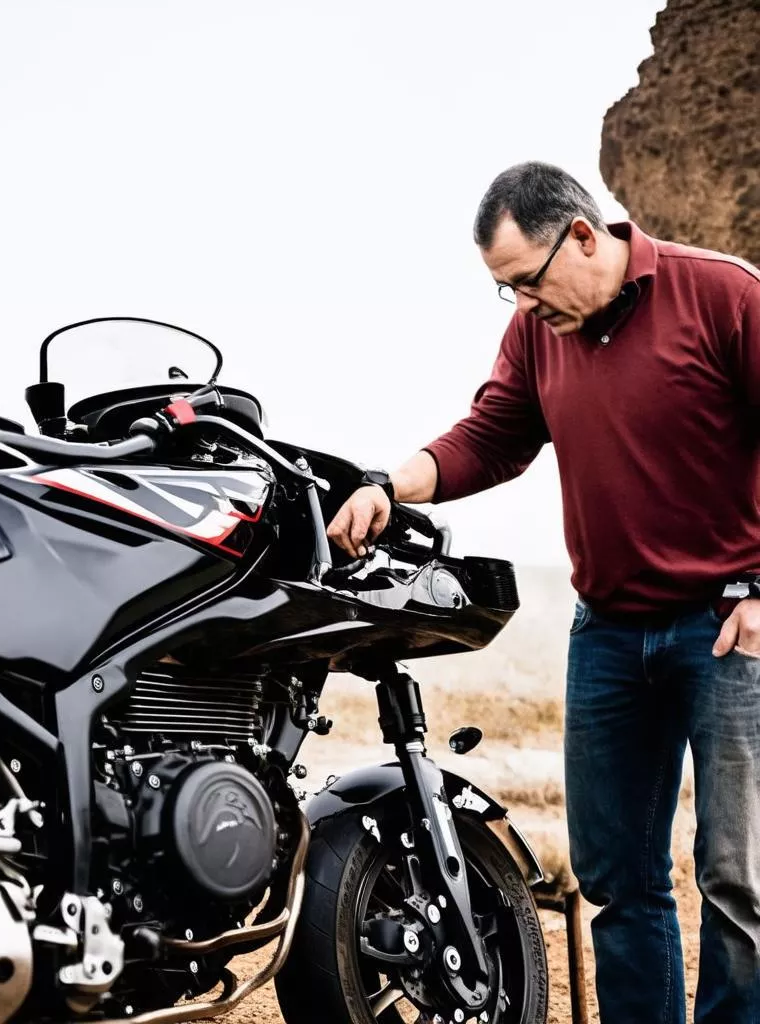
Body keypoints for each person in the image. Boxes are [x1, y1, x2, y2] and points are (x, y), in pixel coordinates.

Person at [327, 161, 760, 1023]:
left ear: (584, 237)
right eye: (505, 290)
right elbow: (492, 434)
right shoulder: (539, 332)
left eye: (525, 281)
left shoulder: (725, 296)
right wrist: (388, 483)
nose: (521, 306)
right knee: (616, 881)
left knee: (736, 877)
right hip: (606, 635)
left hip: (725, 628)